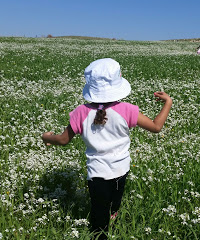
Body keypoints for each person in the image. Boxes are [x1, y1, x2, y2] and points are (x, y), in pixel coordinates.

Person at [42, 58, 173, 239]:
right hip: (121, 169)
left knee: (98, 211)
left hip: (97, 173)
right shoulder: (127, 110)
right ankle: (114, 214)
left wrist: (47, 137)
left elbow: (63, 140)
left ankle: (100, 233)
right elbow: (156, 127)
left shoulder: (80, 112)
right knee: (116, 198)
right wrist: (168, 102)